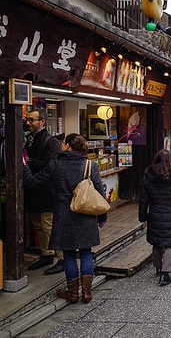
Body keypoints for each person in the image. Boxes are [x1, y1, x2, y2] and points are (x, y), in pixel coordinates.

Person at [23, 133, 107, 303]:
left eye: (63, 143)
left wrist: (24, 164)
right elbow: (100, 193)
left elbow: (32, 181)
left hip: (63, 215)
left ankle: (73, 293)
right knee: (85, 253)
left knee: (68, 254)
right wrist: (102, 217)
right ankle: (87, 293)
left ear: (68, 145)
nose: (61, 145)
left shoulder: (55, 165)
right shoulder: (90, 165)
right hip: (86, 214)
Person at [139, 149, 171, 286]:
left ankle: (158, 268)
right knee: (169, 244)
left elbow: (144, 198)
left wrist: (142, 216)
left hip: (154, 214)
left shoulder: (149, 175)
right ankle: (165, 274)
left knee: (157, 242)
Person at [23, 107, 64, 275]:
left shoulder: (51, 142)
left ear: (42, 122)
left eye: (32, 120)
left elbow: (51, 167)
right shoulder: (29, 139)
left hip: (47, 191)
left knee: (50, 226)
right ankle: (46, 254)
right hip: (33, 190)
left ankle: (62, 258)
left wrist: (28, 161)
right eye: (27, 120)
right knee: (38, 225)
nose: (28, 123)